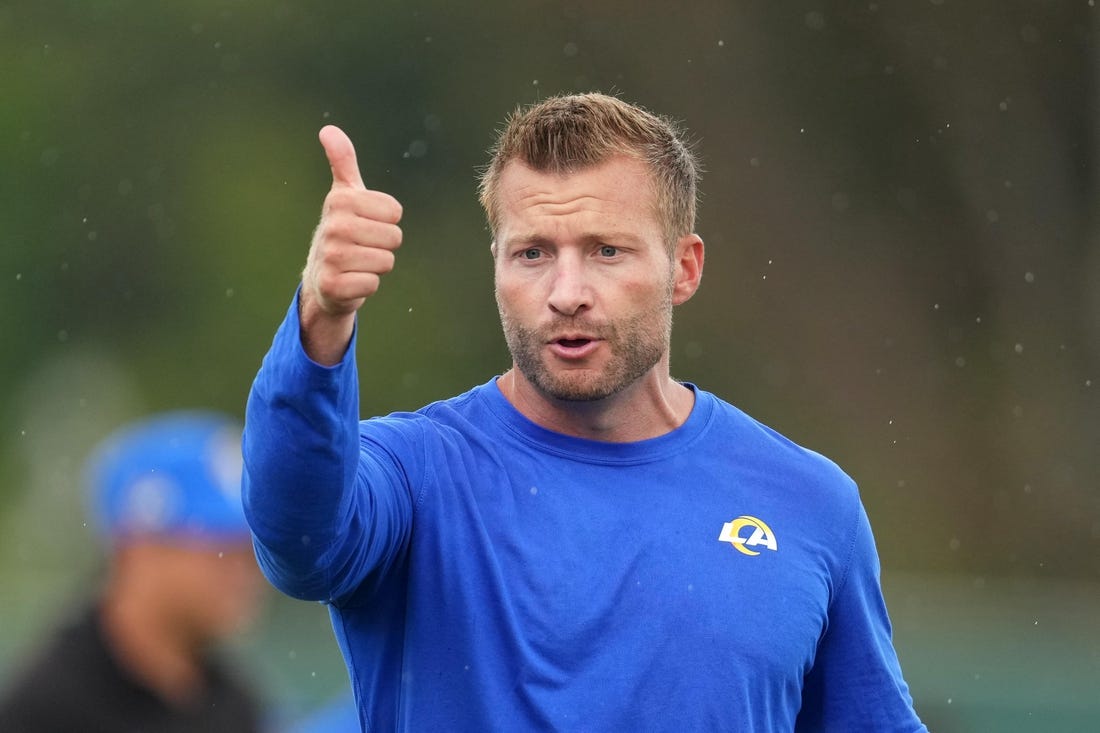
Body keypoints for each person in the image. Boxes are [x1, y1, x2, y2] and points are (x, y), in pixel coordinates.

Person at [242, 93, 927, 731]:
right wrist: (321, 314)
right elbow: (297, 539)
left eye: (606, 250)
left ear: (684, 269)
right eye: (533, 253)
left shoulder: (810, 502)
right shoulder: (415, 473)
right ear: (497, 268)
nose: (567, 292)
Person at [0, 410, 267, 733]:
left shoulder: (236, 707)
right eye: (221, 548)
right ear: (138, 551)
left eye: (252, 550)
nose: (247, 572)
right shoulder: (47, 710)